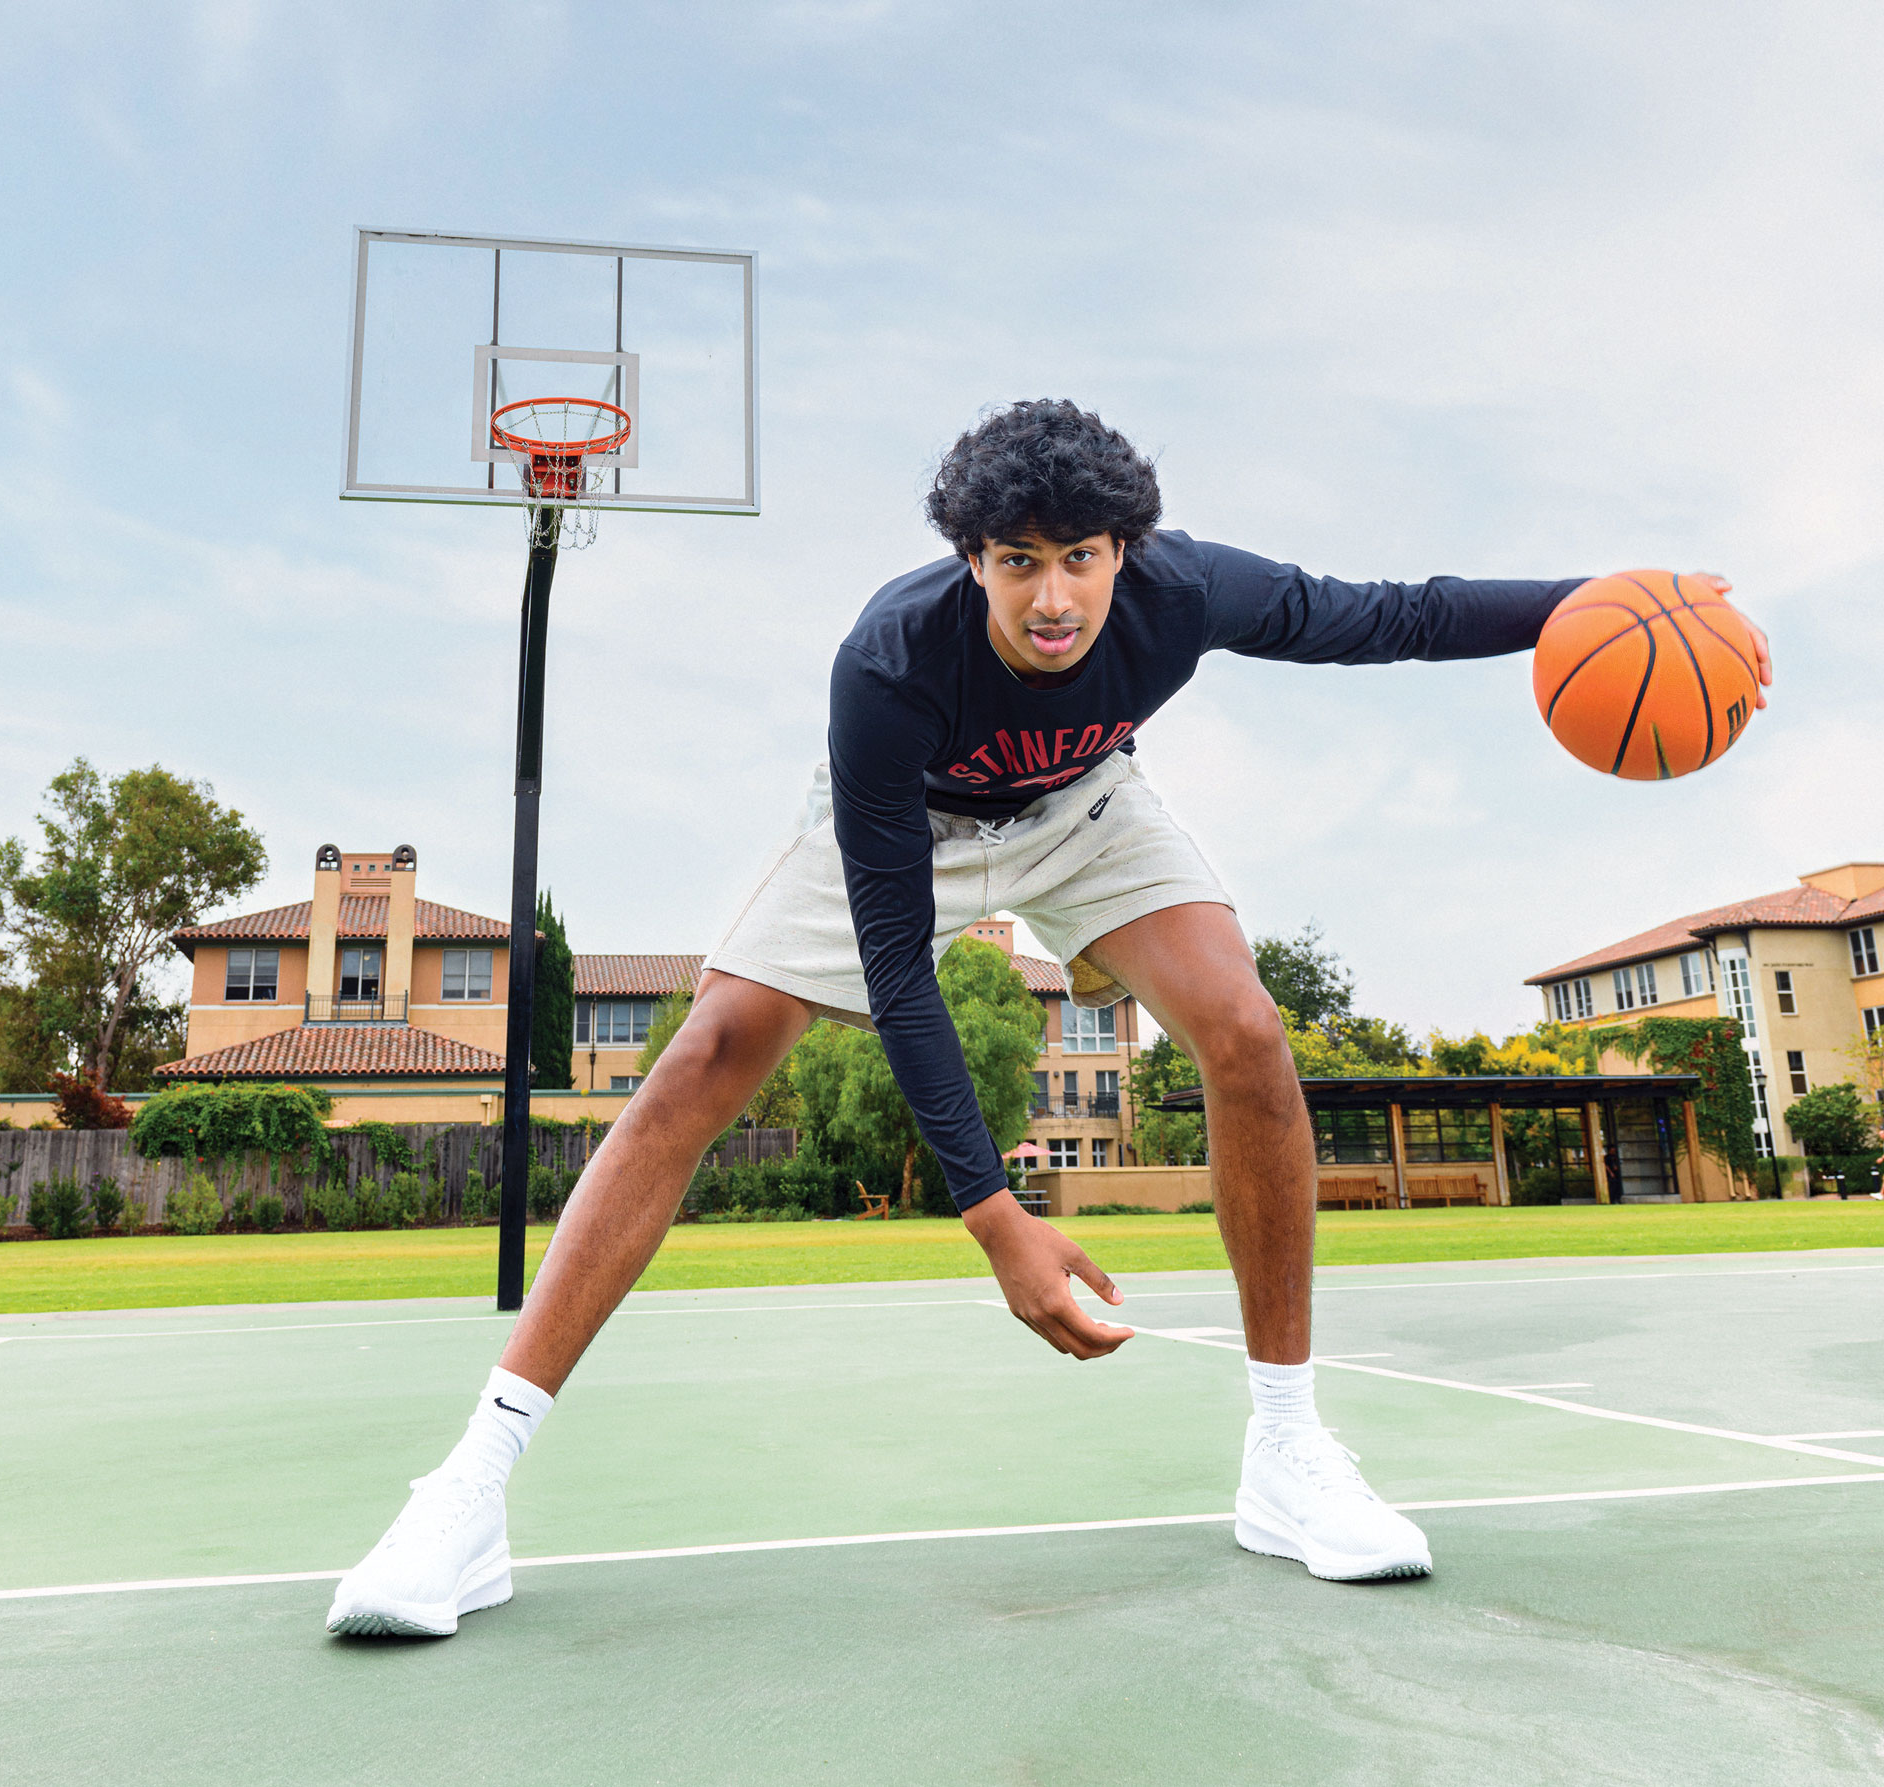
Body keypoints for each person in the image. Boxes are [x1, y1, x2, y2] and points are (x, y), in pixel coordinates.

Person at [327, 399, 1769, 1636]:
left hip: (1087, 812)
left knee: (1249, 1036)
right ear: (973, 560)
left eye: (1081, 556)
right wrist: (993, 1214)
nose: (1056, 596)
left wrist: (1610, 599)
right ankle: (467, 1494)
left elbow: (1396, 616)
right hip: (909, 822)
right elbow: (898, 967)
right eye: (1019, 562)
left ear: (1126, 549)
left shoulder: (1187, 591)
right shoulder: (890, 665)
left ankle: (1288, 1454)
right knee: (702, 1058)